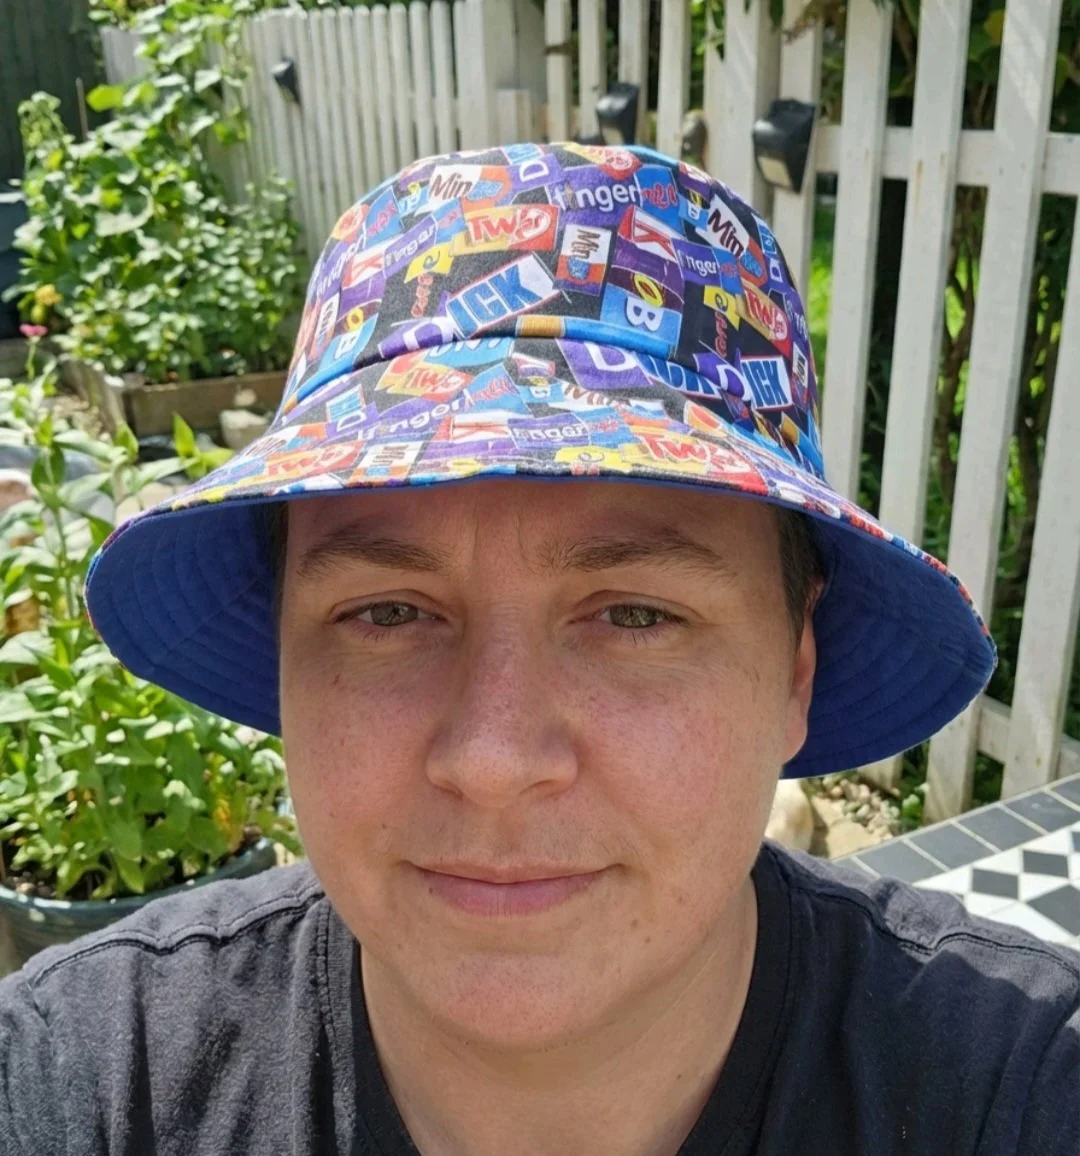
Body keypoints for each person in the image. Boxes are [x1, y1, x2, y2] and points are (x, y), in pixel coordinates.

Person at [1, 143, 1076, 1156]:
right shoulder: (90, 1081)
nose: (493, 758)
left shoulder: (1016, 1087)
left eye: (635, 615)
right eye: (389, 613)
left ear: (795, 668)